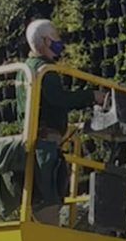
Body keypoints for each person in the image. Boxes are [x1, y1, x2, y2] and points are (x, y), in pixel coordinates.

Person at [15, 18, 105, 224]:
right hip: (46, 141)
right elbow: (59, 99)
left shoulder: (24, 69)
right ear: (46, 41)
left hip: (28, 139)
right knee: (48, 193)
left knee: (33, 193)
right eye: (56, 38)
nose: (59, 42)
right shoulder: (46, 70)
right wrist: (91, 96)